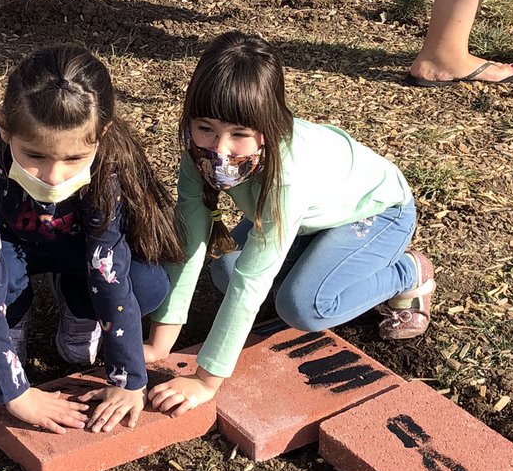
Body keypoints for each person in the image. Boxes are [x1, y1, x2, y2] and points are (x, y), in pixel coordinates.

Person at [145, 32, 434, 416]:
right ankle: (318, 267)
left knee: (303, 307)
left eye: (240, 135)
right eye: (206, 128)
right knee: (225, 270)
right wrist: (160, 343)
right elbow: (190, 244)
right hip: (311, 220)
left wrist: (205, 380)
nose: (220, 149)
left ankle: (407, 273)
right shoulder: (198, 157)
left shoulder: (287, 175)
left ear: (268, 128)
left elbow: (254, 279)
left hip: (378, 213)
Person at [0, 45, 182, 434]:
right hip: (15, 246)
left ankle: (78, 307)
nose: (54, 176)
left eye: (74, 159)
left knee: (146, 286)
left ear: (101, 135)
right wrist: (12, 391)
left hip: (82, 250)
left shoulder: (109, 168)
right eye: (35, 155)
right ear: (5, 129)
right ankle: (14, 320)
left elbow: (108, 268)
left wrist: (128, 379)